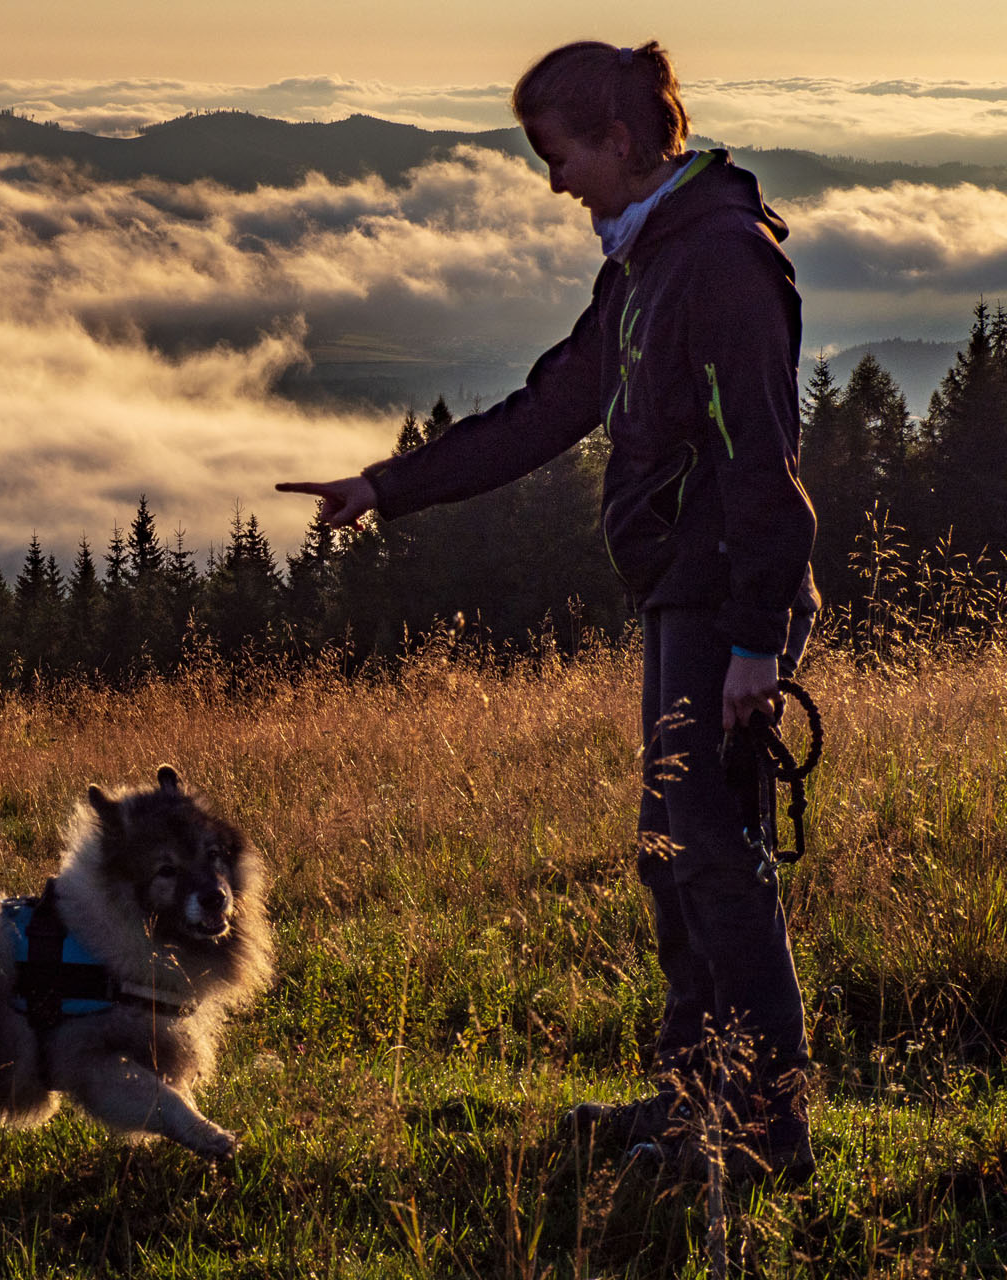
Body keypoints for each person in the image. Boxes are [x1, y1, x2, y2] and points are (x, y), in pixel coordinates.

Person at [278, 39, 819, 1189]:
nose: (555, 180)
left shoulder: (717, 263)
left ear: (620, 140)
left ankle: (764, 1131)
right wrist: (388, 486)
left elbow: (766, 466)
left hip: (724, 601)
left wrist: (755, 643)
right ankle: (692, 1094)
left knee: (719, 866)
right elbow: (549, 407)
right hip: (688, 595)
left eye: (559, 153)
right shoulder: (648, 263)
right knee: (677, 858)